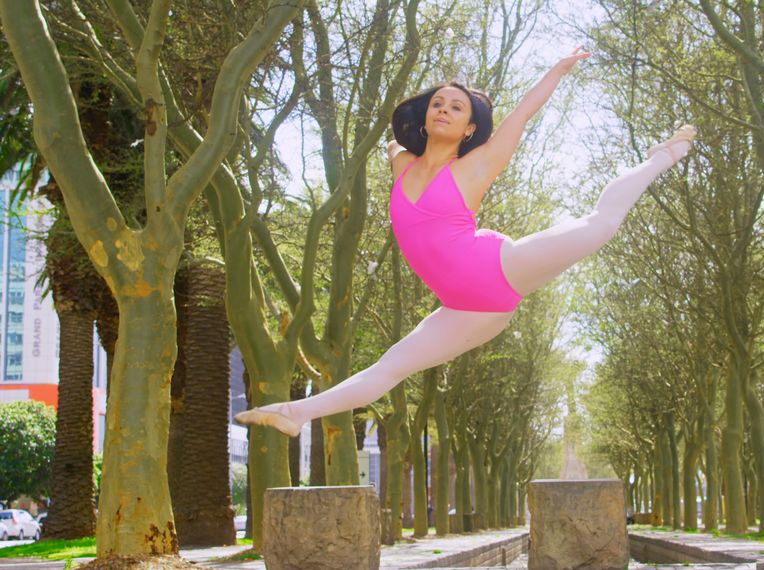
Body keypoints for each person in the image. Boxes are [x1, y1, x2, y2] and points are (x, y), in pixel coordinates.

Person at [235, 47, 695, 437]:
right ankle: (294, 414)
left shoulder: (476, 166)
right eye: (438, 103)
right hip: (465, 309)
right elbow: (392, 125)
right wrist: (405, 117)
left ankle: (663, 156)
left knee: (599, 225)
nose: (444, 110)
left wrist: (557, 71)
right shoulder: (401, 164)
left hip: (498, 269)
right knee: (391, 366)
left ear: (470, 128)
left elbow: (521, 115)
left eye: (457, 107)